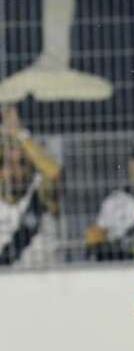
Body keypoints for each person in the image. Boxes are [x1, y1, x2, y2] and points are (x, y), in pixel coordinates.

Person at [0, 105, 62, 268]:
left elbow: (54, 173)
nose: (15, 170)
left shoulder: (39, 192)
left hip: (46, 280)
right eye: (9, 163)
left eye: (21, 163)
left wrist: (19, 133)